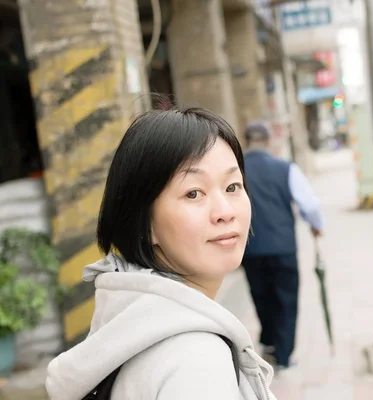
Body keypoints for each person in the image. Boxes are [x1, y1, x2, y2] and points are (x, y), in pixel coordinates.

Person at [45, 107, 276, 400]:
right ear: (145, 221)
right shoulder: (196, 361)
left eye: (232, 186)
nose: (225, 212)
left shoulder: (126, 316)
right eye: (194, 193)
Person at [241, 121, 323, 373]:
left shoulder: (237, 170)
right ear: (268, 142)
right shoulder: (285, 168)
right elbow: (310, 206)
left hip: (251, 247)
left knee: (261, 296)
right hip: (283, 247)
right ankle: (284, 356)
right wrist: (315, 227)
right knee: (286, 300)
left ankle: (269, 344)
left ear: (245, 142)